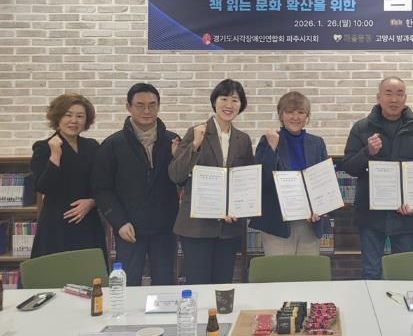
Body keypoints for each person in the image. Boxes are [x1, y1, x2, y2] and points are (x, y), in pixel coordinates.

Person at [343, 77, 413, 279]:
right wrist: (367, 152)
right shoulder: (361, 128)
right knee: (371, 272)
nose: (394, 99)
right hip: (370, 216)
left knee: (403, 273)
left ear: (405, 98)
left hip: (404, 216)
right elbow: (348, 167)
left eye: (399, 94)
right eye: (388, 93)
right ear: (378, 97)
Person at [93, 83, 180, 286]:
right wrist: (119, 222)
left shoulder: (173, 141)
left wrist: (179, 159)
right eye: (140, 105)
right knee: (127, 285)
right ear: (128, 107)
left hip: (165, 228)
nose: (147, 110)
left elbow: (182, 180)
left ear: (158, 106)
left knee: (165, 285)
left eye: (152, 105)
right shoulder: (113, 144)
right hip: (129, 229)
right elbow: (102, 189)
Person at [169, 79, 254, 284]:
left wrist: (239, 207)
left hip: (229, 228)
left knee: (223, 286)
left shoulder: (243, 139)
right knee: (198, 285)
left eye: (235, 100)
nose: (229, 105)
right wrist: (195, 145)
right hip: (197, 226)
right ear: (214, 102)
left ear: (241, 105)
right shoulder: (196, 132)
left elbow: (246, 181)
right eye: (224, 99)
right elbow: (176, 175)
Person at [249, 91, 330, 255]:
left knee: (307, 270)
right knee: (281, 270)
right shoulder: (269, 140)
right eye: (289, 112)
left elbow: (324, 182)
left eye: (301, 112)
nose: (295, 117)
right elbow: (262, 180)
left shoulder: (317, 143)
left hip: (310, 221)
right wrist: (272, 148)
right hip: (278, 223)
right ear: (281, 115)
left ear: (307, 116)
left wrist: (320, 208)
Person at [30, 94, 107, 262]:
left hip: (88, 221)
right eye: (68, 115)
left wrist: (92, 202)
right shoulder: (43, 147)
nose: (74, 121)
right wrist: (55, 155)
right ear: (58, 117)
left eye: (80, 116)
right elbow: (43, 187)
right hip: (57, 223)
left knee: (91, 271)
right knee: (57, 272)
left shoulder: (92, 146)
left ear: (86, 121)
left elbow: (103, 183)